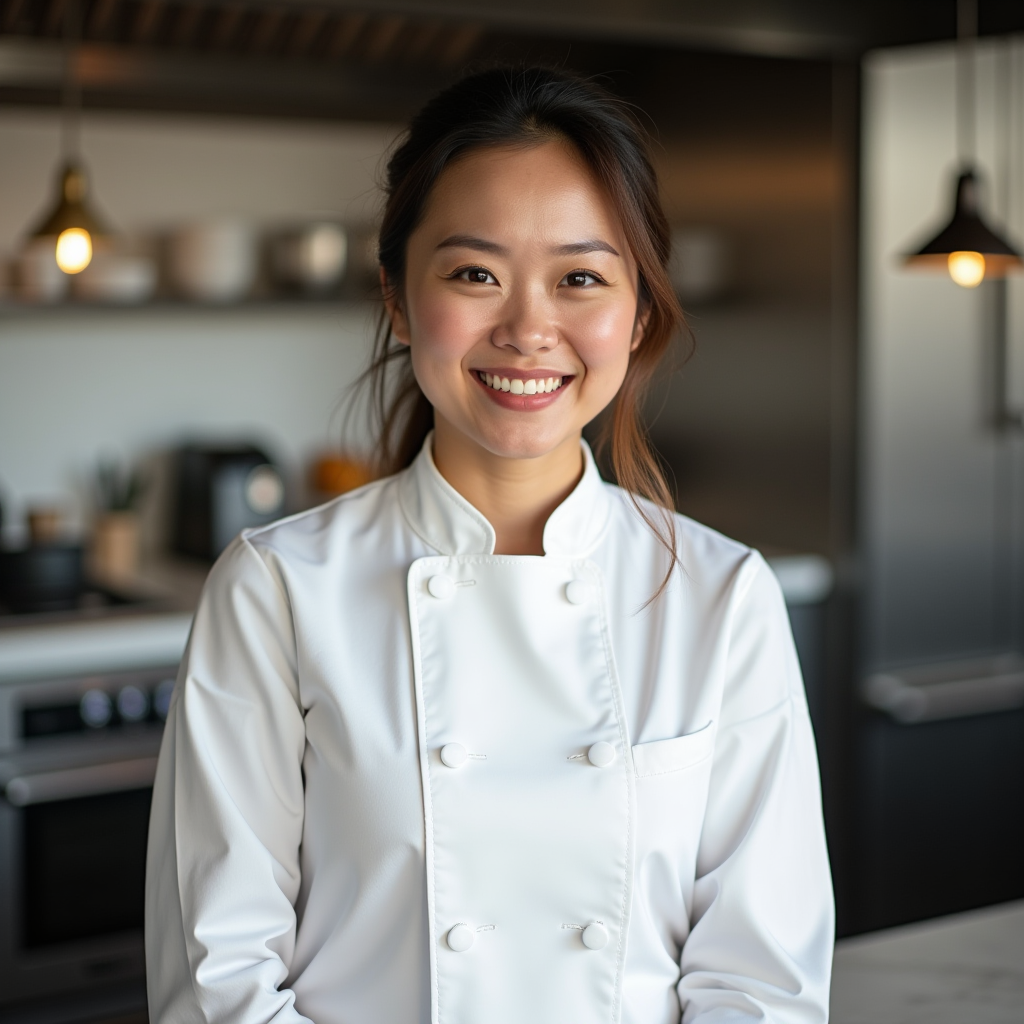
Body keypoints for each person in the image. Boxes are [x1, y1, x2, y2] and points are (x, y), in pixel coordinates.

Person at [145, 66, 834, 1024]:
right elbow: (219, 980)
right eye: (475, 273)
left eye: (581, 278)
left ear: (636, 317)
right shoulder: (278, 587)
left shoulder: (720, 594)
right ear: (396, 297)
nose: (526, 328)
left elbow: (760, 982)